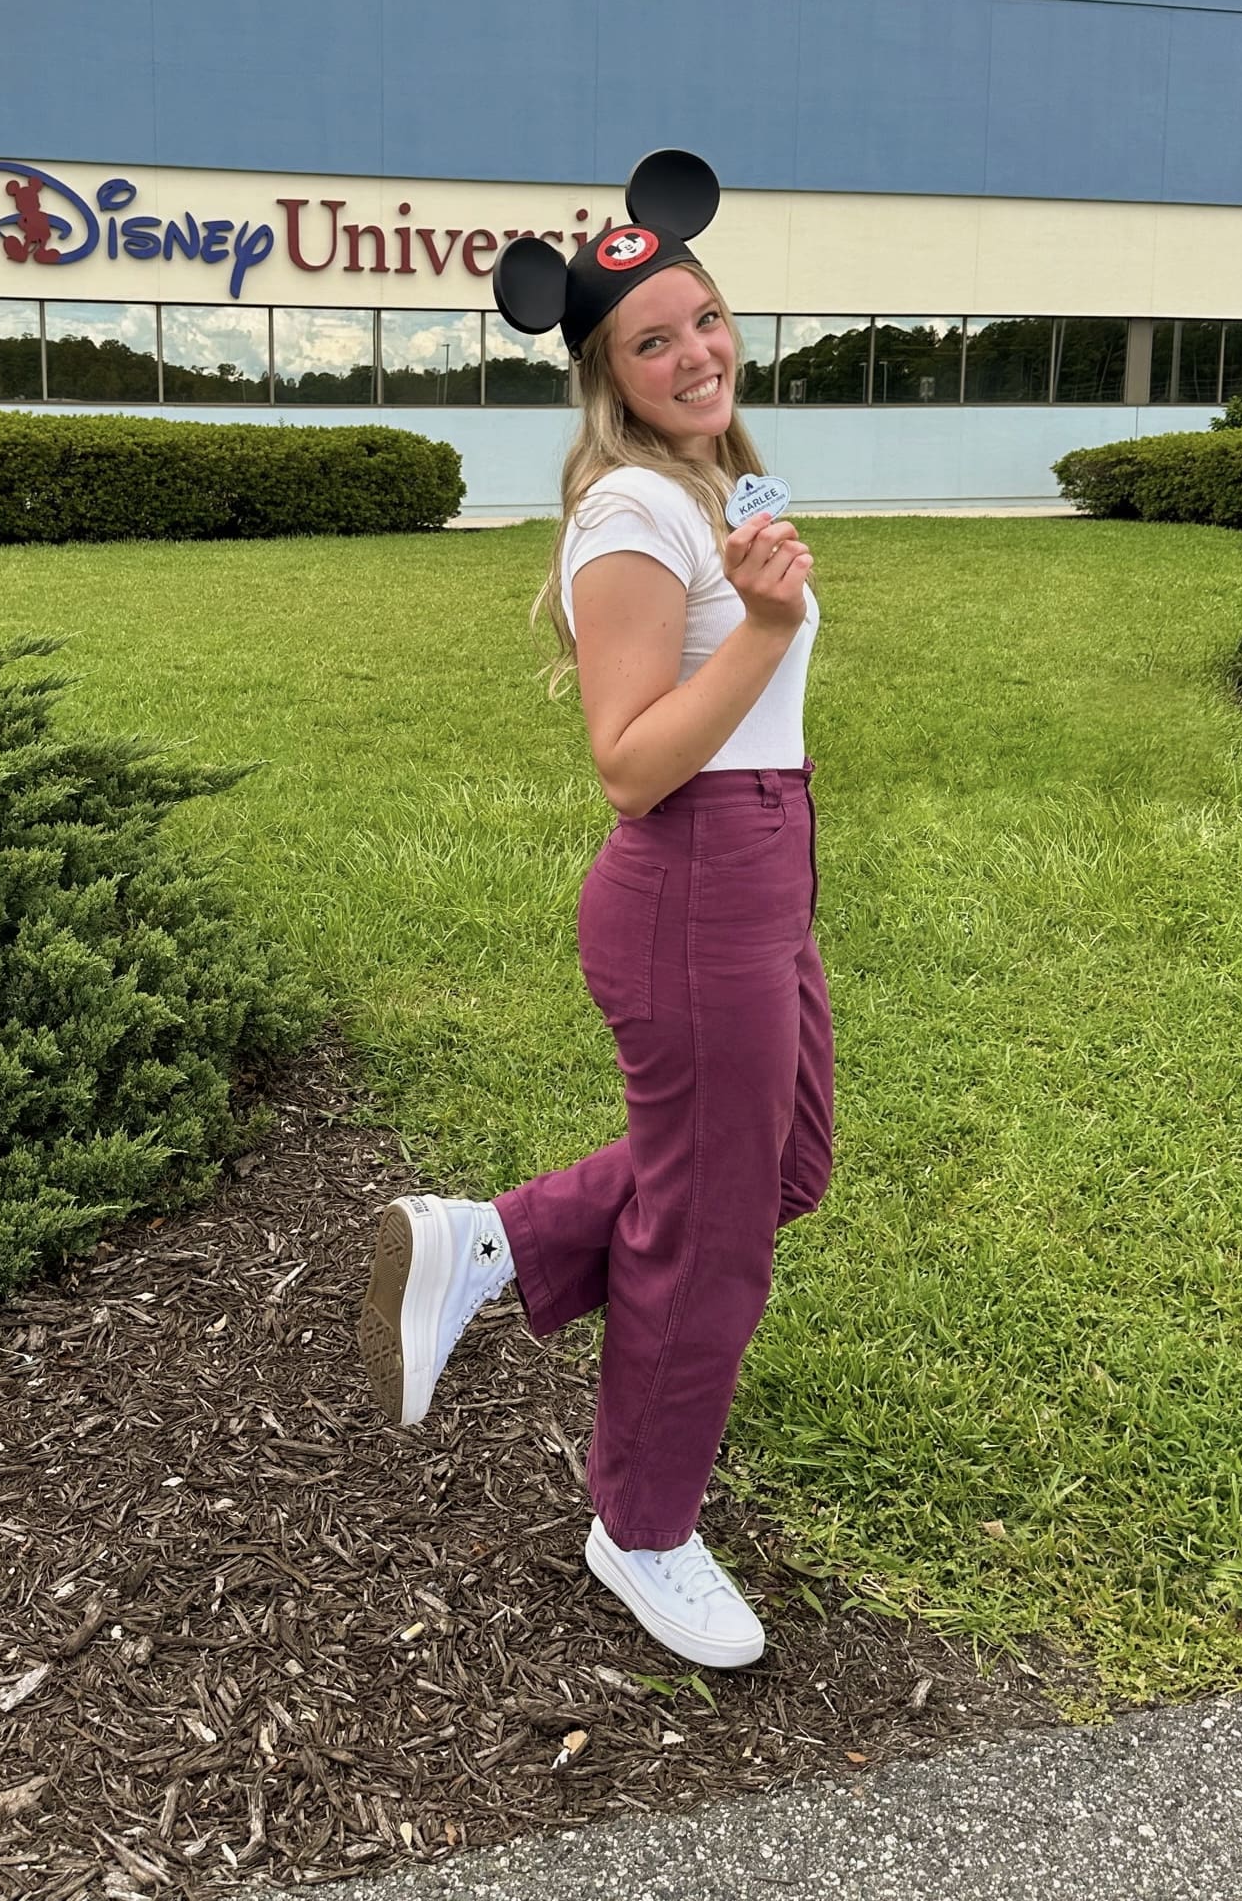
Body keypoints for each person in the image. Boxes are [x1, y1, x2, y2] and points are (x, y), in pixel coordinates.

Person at [357, 151, 830, 1672]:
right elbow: (629, 766)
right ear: (605, 375)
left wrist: (760, 614)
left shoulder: (719, 476)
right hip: (694, 872)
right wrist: (760, 624)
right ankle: (638, 1528)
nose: (696, 353)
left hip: (763, 866)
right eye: (654, 340)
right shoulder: (630, 507)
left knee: (781, 1165)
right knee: (711, 1230)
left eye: (705, 321)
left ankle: (492, 1242)